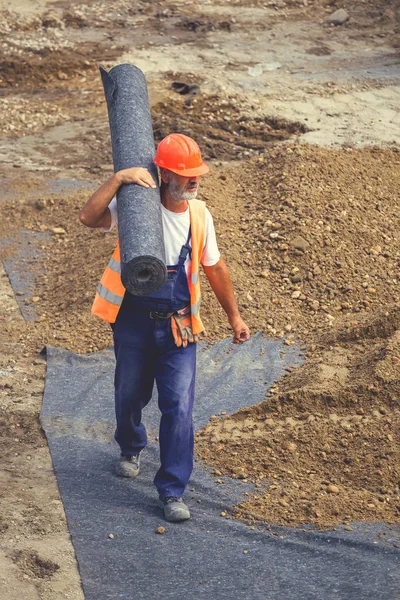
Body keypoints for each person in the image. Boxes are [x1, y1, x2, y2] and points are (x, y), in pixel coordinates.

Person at [80, 133, 250, 522]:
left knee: (179, 406)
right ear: (164, 173)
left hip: (180, 326)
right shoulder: (137, 207)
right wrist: (120, 179)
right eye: (186, 175)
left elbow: (215, 268)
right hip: (133, 320)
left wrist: (235, 318)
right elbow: (88, 218)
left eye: (197, 175)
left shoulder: (200, 215)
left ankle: (172, 489)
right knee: (129, 393)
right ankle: (130, 445)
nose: (194, 181)